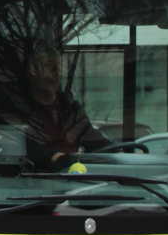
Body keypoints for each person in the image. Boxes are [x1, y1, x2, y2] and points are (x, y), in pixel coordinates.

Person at [17, 40, 111, 169]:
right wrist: (55, 157)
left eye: (56, 69)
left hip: (75, 175)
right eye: (45, 68)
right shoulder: (19, 107)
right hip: (36, 178)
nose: (53, 75)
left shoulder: (70, 107)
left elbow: (94, 139)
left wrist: (120, 152)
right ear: (30, 73)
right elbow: (21, 144)